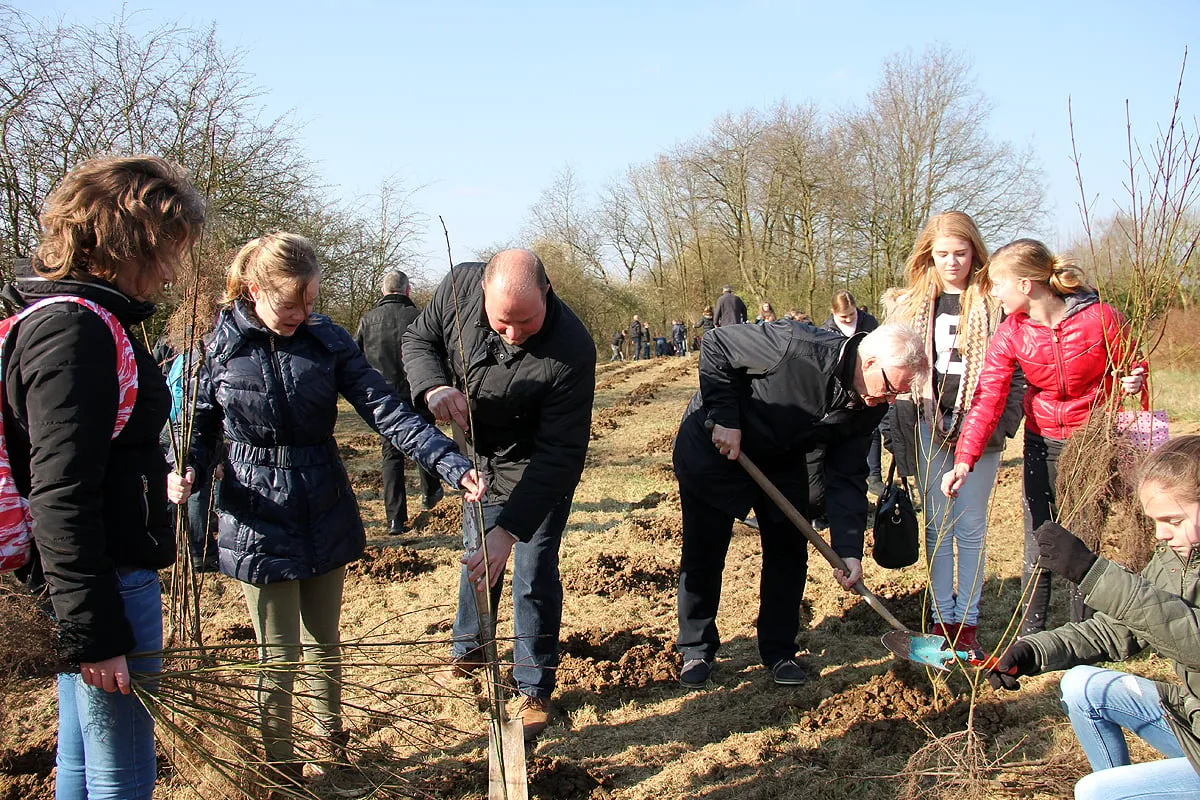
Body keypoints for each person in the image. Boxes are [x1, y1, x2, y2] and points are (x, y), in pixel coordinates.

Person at [169, 233, 484, 784]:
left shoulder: (327, 339)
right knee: (279, 654)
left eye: (310, 302)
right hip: (256, 515)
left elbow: (386, 411)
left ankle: (333, 745)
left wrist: (449, 463)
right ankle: (281, 767)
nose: (303, 314)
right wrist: (186, 468)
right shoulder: (216, 350)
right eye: (291, 305)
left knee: (326, 643)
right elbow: (197, 430)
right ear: (252, 290)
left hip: (324, 503)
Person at [1, 156, 204, 800]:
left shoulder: (61, 315)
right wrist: (95, 633)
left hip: (79, 583)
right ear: (121, 244)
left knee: (83, 759)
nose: (171, 271)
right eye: (164, 252)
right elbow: (61, 493)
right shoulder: (75, 331)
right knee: (121, 775)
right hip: (104, 581)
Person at [402, 249, 595, 740]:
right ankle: (468, 648)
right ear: (483, 292)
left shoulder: (572, 348)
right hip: (479, 456)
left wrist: (509, 531)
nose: (512, 333)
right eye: (502, 320)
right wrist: (433, 389)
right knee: (477, 559)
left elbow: (560, 454)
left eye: (525, 321)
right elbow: (418, 340)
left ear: (547, 293)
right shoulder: (459, 287)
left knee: (530, 570)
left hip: (537, 466)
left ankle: (533, 684)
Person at [672, 322, 928, 689]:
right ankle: (696, 649)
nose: (887, 401)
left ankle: (779, 651)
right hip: (718, 448)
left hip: (784, 458)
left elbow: (847, 475)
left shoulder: (870, 404)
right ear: (869, 361)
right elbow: (716, 343)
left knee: (789, 553)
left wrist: (848, 549)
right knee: (704, 552)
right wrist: (726, 419)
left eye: (896, 396)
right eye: (889, 388)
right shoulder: (795, 346)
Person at [943, 239, 1145, 635]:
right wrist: (965, 459)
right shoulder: (1010, 333)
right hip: (1041, 441)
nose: (993, 293)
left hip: (1092, 443)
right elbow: (987, 399)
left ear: (1024, 285)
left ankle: (1082, 633)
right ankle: (1030, 635)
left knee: (1083, 538)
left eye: (998, 283)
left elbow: (1133, 367)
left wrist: (1134, 379)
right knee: (1039, 538)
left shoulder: (1102, 318)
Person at [987, 435, 1200, 800]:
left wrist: (1092, 572)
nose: (1163, 534)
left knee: (1095, 792)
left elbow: (1192, 640)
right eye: (1156, 521)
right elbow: (1120, 629)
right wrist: (1035, 650)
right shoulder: (1176, 559)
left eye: (1174, 520)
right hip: (1191, 719)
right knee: (1083, 685)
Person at [888, 211, 1025, 651]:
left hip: (979, 431)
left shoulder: (994, 302)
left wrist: (1000, 425)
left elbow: (1017, 373)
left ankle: (967, 622)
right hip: (930, 427)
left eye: (961, 254)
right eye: (942, 254)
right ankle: (939, 619)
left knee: (970, 527)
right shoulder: (908, 304)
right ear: (928, 255)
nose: (952, 263)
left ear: (975, 253)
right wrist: (902, 438)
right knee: (937, 528)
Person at [355, 269, 444, 534]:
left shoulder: (367, 321)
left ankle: (396, 519)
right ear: (407, 290)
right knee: (425, 440)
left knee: (391, 455)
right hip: (418, 390)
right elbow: (438, 353)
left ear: (383, 291)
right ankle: (430, 491)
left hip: (385, 398)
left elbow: (354, 359)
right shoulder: (420, 318)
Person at [816, 290, 883, 509]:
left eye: (851, 315)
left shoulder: (869, 323)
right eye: (843, 317)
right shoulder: (826, 330)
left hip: (868, 387)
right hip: (839, 393)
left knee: (871, 434)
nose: (848, 319)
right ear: (834, 313)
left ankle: (874, 476)